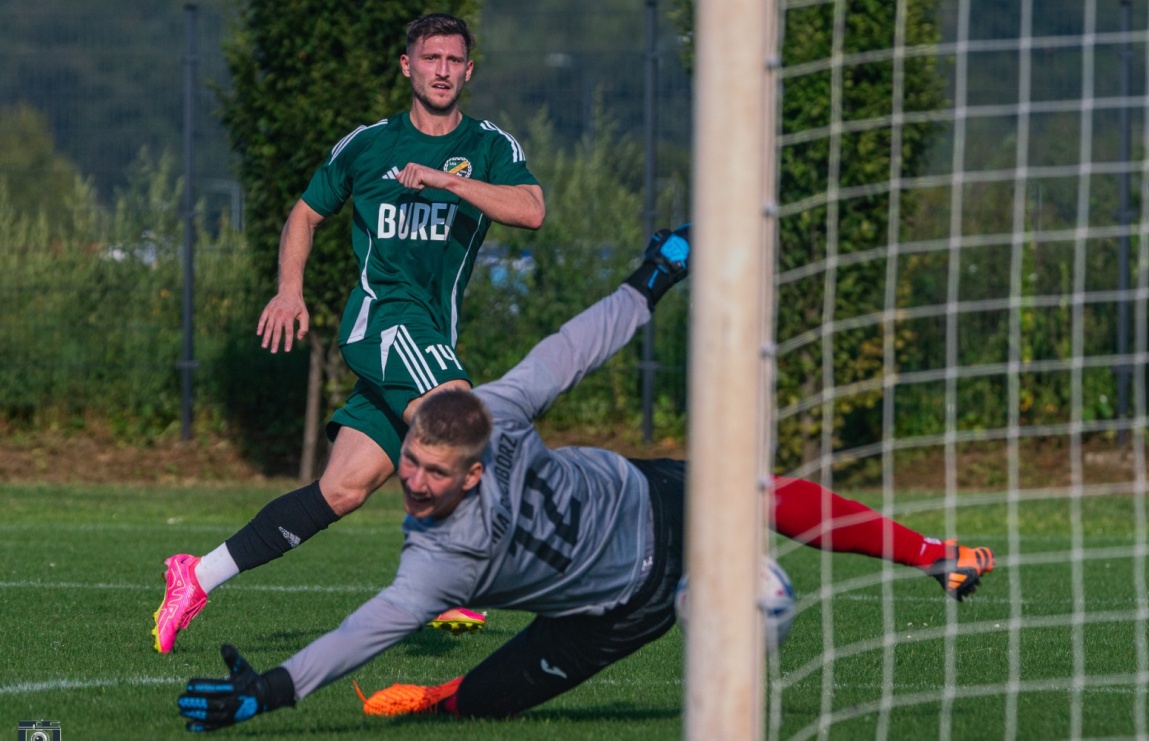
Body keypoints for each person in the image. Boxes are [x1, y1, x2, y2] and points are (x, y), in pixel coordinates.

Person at [174, 225, 994, 731]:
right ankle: (442, 697)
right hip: (604, 613)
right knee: (481, 707)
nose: (413, 482)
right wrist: (272, 690)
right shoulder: (466, 479)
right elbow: (364, 632)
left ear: (468, 473)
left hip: (653, 509)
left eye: (431, 473)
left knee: (756, 489)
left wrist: (652, 278)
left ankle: (933, 554)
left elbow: (572, 346)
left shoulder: (465, 499)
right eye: (411, 462)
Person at [153, 12, 546, 654]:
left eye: (454, 60)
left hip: (429, 333)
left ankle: (196, 575)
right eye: (430, 59)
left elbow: (531, 210)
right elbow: (305, 214)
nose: (442, 70)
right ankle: (454, 582)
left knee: (341, 490)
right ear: (407, 66)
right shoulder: (366, 145)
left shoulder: (489, 147)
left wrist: (449, 180)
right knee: (461, 421)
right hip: (384, 321)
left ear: (469, 71)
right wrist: (289, 290)